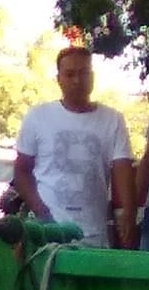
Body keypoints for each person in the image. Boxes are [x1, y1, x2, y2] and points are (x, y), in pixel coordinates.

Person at [13, 46, 135, 247]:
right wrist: (43, 213)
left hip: (95, 236)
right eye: (69, 74)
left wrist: (127, 216)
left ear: (92, 76)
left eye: (83, 73)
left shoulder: (113, 120)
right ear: (59, 78)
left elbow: (123, 172)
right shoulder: (38, 117)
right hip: (48, 236)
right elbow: (21, 171)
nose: (77, 81)